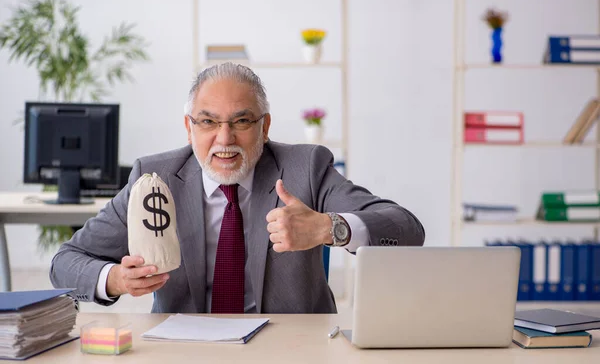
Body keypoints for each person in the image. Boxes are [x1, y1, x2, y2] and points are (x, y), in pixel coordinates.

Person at [50, 63, 425, 314]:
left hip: (290, 351)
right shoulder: (154, 177)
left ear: (264, 127)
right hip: (186, 351)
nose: (224, 139)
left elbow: (406, 228)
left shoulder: (305, 168)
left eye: (241, 121)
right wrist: (115, 280)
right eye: (208, 121)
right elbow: (64, 263)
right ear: (189, 127)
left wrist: (330, 227)